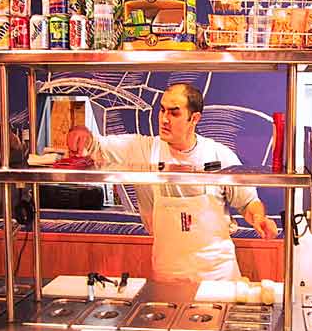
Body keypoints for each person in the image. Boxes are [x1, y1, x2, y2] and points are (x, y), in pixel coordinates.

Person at [67, 83, 279, 282]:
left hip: (217, 275)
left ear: (194, 118)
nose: (164, 119)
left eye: (174, 112)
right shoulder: (143, 150)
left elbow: (248, 202)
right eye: (162, 110)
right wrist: (83, 133)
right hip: (167, 272)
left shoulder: (219, 155)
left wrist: (259, 218)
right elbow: (96, 145)